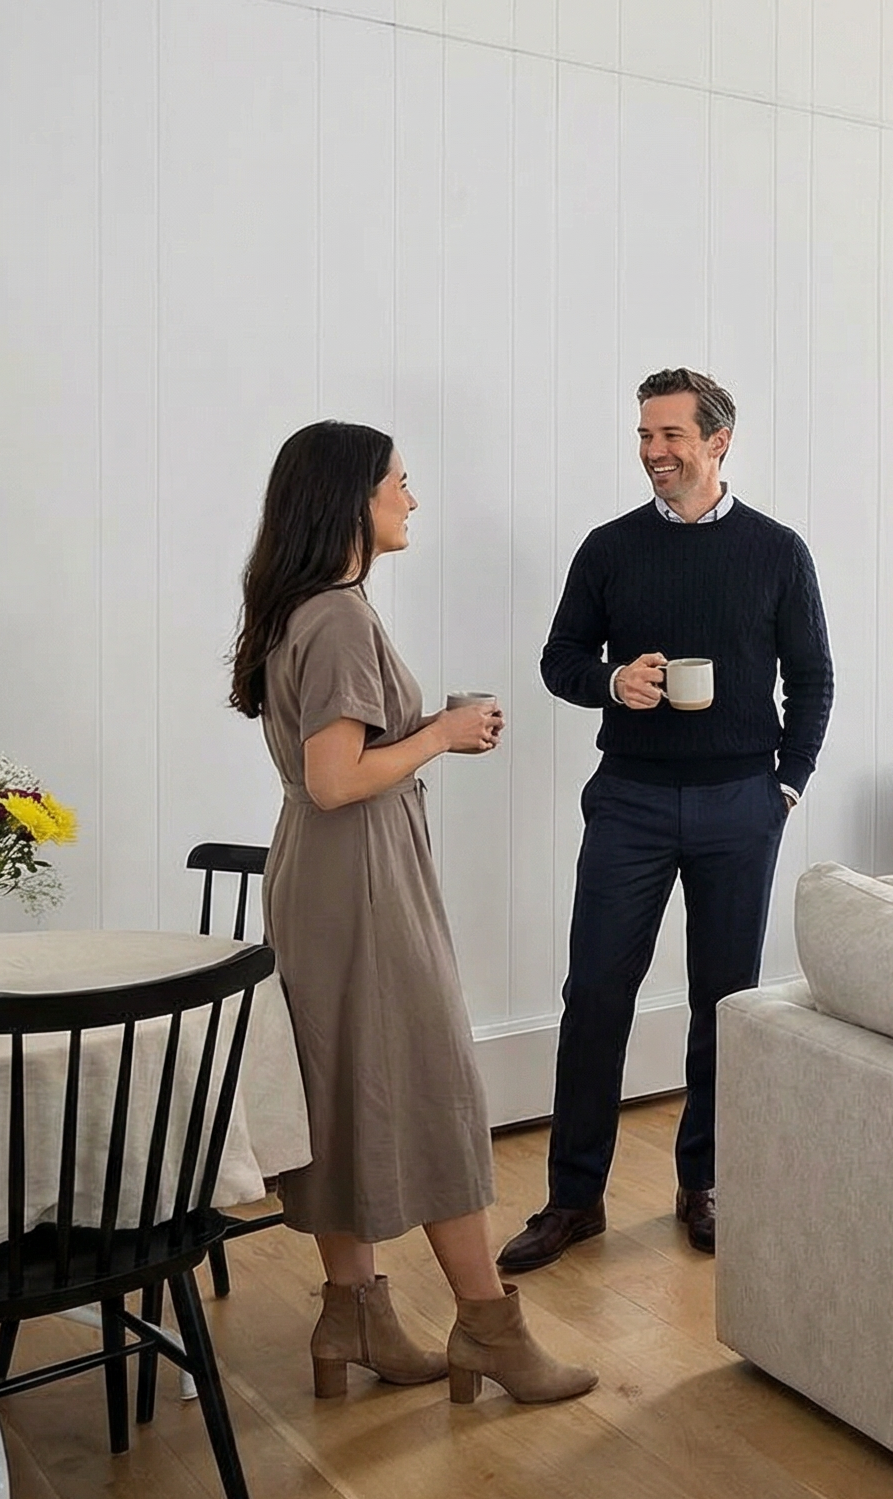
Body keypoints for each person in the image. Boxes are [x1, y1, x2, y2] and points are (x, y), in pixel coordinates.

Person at [230, 421, 595, 1406]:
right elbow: (337, 777)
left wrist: (430, 739)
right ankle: (490, 1328)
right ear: (355, 497)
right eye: (400, 482)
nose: (413, 498)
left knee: (342, 1092)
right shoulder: (340, 617)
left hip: (321, 877)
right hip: (360, 881)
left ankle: (353, 1312)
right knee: (435, 1090)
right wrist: (442, 732)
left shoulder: (297, 608)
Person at [502, 369, 835, 1271]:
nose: (654, 452)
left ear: (718, 441)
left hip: (742, 802)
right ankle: (574, 1200)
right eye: (645, 436)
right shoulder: (609, 549)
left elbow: (812, 680)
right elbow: (558, 659)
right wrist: (614, 681)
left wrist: (787, 787)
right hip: (631, 800)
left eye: (672, 436)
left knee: (721, 1005)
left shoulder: (778, 552)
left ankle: (705, 1183)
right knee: (594, 996)